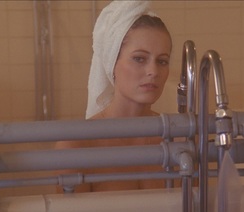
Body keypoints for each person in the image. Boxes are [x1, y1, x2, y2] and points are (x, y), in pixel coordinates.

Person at [56, 1, 174, 192]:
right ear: (112, 63)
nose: (153, 71)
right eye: (139, 58)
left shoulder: (178, 142)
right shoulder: (77, 146)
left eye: (162, 61)